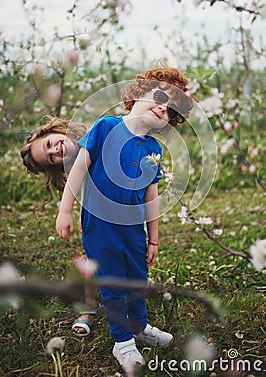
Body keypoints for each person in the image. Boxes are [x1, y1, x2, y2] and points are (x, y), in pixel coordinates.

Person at [55, 67, 193, 372]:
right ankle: (122, 341)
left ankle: (140, 326)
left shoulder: (154, 150)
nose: (162, 107)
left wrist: (153, 237)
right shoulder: (105, 127)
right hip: (100, 226)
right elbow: (78, 169)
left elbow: (151, 197)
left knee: (137, 280)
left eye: (170, 109)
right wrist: (65, 209)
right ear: (136, 95)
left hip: (134, 229)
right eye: (159, 96)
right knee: (113, 281)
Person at [19, 116, 97, 336]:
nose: (55, 151)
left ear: (52, 131)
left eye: (49, 144)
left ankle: (129, 299)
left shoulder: (96, 135)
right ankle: (89, 308)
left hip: (125, 209)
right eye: (51, 159)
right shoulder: (74, 166)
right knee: (92, 259)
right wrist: (81, 211)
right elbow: (83, 188)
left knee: (130, 255)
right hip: (100, 215)